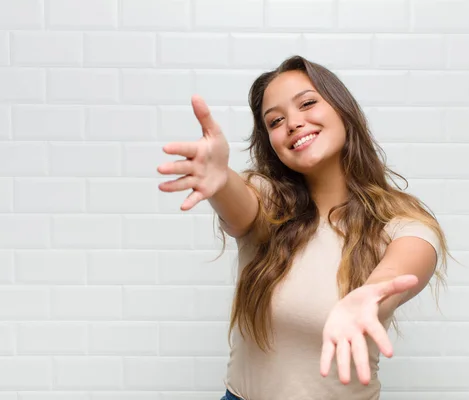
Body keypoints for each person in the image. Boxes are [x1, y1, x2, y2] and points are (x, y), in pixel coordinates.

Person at [157, 55, 453, 400]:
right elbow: (240, 203)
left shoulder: (400, 221)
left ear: (343, 109)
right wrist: (221, 181)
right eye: (275, 121)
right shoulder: (269, 203)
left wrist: (368, 297)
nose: (293, 123)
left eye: (308, 103)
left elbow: (406, 262)